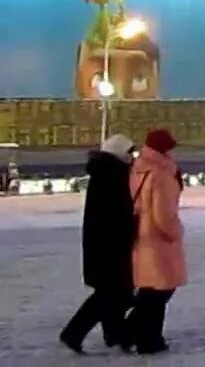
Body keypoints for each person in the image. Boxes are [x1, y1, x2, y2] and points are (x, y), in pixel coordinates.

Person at [59, 135, 136, 354]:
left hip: (102, 243)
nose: (132, 157)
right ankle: (74, 332)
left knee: (113, 293)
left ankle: (114, 335)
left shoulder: (105, 172)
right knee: (112, 293)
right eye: (130, 152)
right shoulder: (113, 175)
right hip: (110, 245)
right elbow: (119, 212)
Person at [126, 129, 185, 355]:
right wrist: (174, 232)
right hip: (158, 238)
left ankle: (140, 335)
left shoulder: (140, 168)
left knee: (151, 290)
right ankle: (146, 339)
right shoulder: (161, 173)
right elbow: (163, 212)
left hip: (143, 235)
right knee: (159, 291)